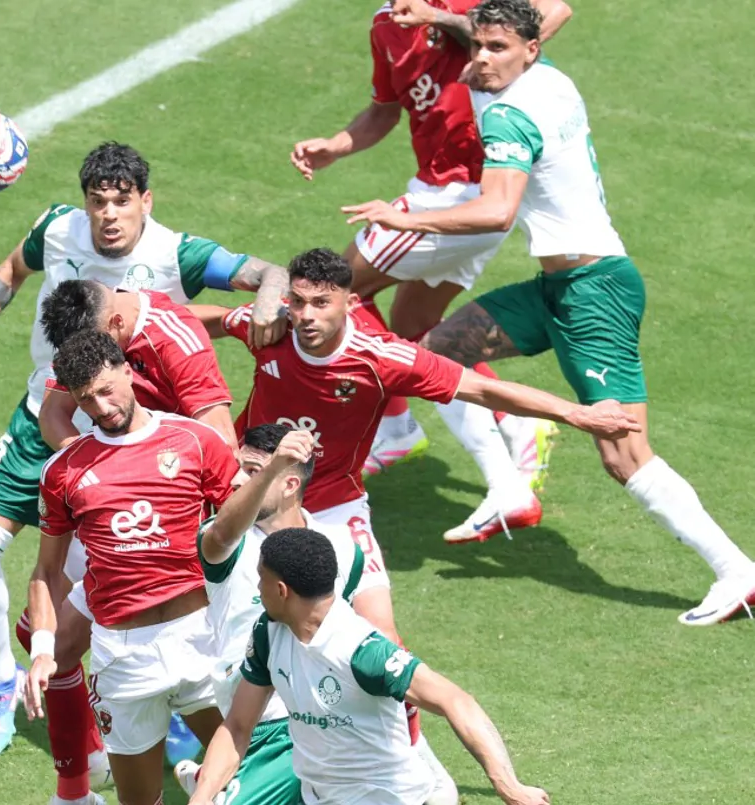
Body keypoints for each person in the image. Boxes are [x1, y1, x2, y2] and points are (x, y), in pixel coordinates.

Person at [341, 0, 755, 625]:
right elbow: (537, 24)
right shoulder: (554, 79)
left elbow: (496, 211)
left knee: (623, 454)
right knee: (441, 349)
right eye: (477, 46)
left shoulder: (510, 116)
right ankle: (509, 473)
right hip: (560, 287)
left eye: (497, 48)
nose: (481, 60)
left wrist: (406, 219)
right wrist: (454, 26)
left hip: (593, 296)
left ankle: (735, 570)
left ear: (529, 49)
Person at [0, 142, 287, 761]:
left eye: (122, 201)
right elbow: (15, 277)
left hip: (144, 446)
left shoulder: (175, 269)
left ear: (145, 201)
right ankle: (29, 712)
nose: (109, 214)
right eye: (98, 202)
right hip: (67, 424)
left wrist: (253, 311)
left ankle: (212, 733)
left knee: (107, 614)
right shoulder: (58, 236)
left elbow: (218, 436)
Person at [193, 248, 640, 576]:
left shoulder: (383, 358)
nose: (306, 315)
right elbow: (206, 320)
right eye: (298, 302)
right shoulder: (272, 326)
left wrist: (575, 414)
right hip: (247, 489)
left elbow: (481, 388)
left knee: (374, 626)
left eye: (321, 303)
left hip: (333, 503)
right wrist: (156, 317)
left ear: (350, 305)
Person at [286, 0, 571, 506]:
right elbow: (384, 110)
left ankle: (397, 429)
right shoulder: (384, 25)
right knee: (416, 329)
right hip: (449, 196)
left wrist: (443, 21)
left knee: (333, 293)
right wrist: (336, 145)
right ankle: (513, 420)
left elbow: (554, 12)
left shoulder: (462, 6)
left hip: (464, 194)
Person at [175, 425, 458, 805]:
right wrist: (273, 467)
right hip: (249, 713)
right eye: (240, 469)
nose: (236, 480)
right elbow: (223, 533)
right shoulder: (226, 539)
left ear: (290, 483)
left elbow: (358, 634)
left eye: (253, 471)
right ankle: (219, 784)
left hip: (312, 711)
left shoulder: (341, 547)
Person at [27, 330, 239, 805]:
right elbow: (46, 572)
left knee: (259, 776)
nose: (101, 408)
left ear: (128, 371)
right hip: (123, 659)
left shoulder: (195, 441)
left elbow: (246, 528)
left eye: (107, 390)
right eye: (86, 400)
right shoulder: (64, 471)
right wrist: (43, 649)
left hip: (203, 639)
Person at [188, 528, 550, 805]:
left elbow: (455, 700)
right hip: (318, 797)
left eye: (261, 578)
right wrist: (202, 798)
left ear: (282, 590)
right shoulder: (269, 634)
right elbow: (238, 726)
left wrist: (508, 785)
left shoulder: (360, 649)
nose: (258, 588)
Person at [38, 279, 234, 450]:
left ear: (117, 322)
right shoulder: (84, 331)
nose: (91, 356)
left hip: (179, 460)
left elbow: (220, 436)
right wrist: (92, 467)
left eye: (98, 345)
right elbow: (53, 414)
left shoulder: (174, 338)